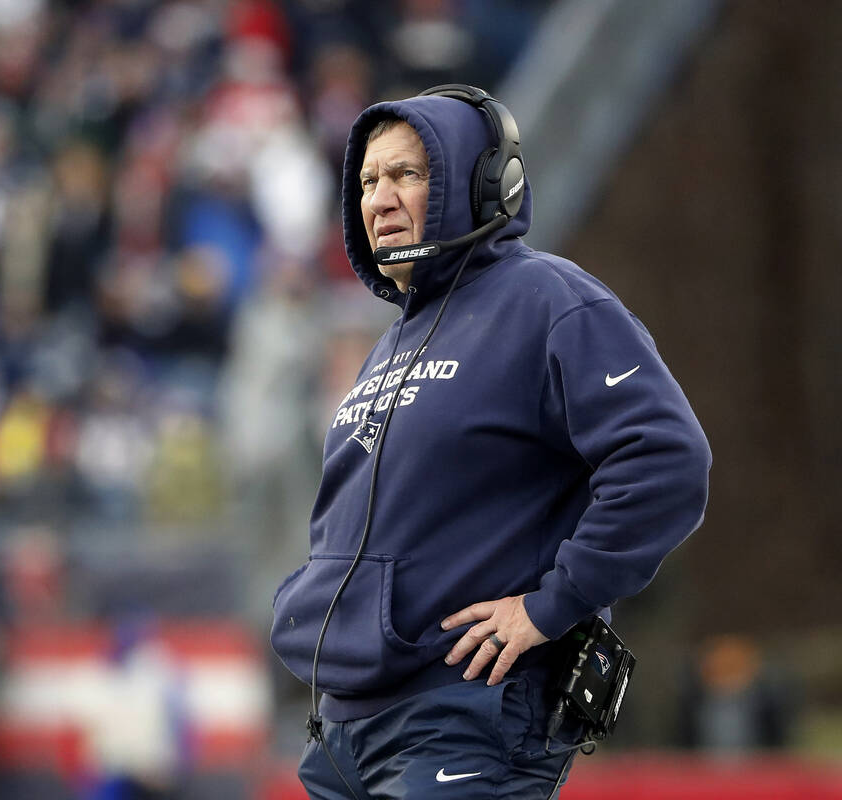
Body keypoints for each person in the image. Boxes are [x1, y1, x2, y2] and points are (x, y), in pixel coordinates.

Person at [270, 85, 711, 799]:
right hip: (344, 735)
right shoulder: (392, 342)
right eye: (368, 180)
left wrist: (552, 603)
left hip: (463, 717)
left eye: (407, 174)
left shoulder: (550, 300)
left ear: (482, 183)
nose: (379, 199)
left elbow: (667, 461)